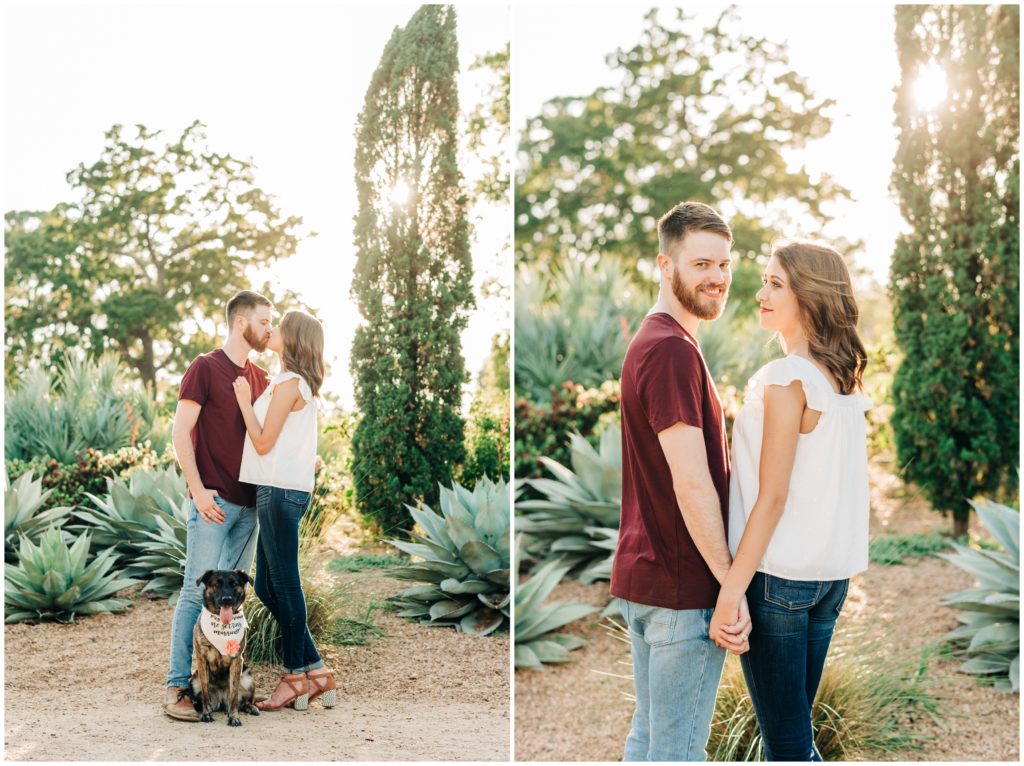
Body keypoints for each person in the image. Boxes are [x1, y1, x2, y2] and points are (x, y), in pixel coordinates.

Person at [710, 239, 871, 761]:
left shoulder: (785, 379)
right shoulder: (841, 381)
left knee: (787, 747)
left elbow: (772, 497)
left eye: (775, 284)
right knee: (794, 741)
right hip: (829, 581)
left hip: (778, 582)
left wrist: (730, 594)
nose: (759, 293)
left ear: (810, 296)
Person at [609, 201, 751, 762]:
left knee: (649, 741)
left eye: (723, 264)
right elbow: (692, 484)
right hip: (681, 591)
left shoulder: (660, 341)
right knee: (677, 753)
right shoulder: (670, 350)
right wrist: (730, 587)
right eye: (700, 265)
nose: (716, 277)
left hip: (649, 582)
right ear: (664, 266)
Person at [164, 290, 273, 721]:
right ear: (240, 323)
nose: (270, 328)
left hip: (251, 508)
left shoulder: (262, 379)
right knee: (196, 595)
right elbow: (180, 432)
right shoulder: (204, 368)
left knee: (233, 603)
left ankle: (223, 694)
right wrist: (198, 489)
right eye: (265, 321)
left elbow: (265, 438)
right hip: (213, 504)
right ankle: (176, 687)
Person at [232, 309, 336, 711]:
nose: (272, 329)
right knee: (265, 586)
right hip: (277, 491)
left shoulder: (291, 383)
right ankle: (316, 669)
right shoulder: (290, 382)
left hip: (278, 492)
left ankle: (294, 675)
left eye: (280, 326)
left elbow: (261, 442)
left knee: (286, 586)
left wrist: (243, 401)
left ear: (293, 339)